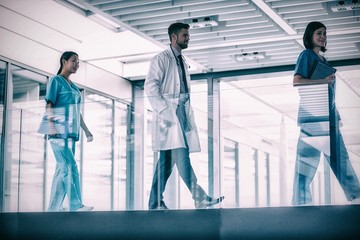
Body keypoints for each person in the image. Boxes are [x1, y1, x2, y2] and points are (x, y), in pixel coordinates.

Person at [145, 22, 224, 210]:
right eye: (184, 35)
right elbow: (150, 86)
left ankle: (154, 203)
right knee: (182, 157)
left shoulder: (182, 60)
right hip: (167, 116)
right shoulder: (161, 59)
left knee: (165, 163)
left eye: (188, 35)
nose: (188, 38)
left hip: (180, 114)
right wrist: (165, 109)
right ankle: (199, 197)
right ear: (174, 37)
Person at [292, 21, 360, 205]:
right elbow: (297, 81)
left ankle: (356, 197)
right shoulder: (306, 55)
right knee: (306, 164)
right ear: (310, 36)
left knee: (341, 160)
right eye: (319, 33)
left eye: (324, 34)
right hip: (313, 119)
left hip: (328, 118)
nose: (323, 37)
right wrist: (322, 80)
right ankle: (301, 204)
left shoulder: (323, 60)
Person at [45, 51, 94, 212]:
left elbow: (76, 112)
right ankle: (76, 204)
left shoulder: (73, 87)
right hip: (57, 132)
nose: (77, 65)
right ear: (64, 61)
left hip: (71, 134)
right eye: (74, 61)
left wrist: (86, 131)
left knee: (61, 171)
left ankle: (53, 209)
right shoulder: (56, 81)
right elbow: (50, 104)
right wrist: (51, 127)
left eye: (78, 62)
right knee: (70, 166)